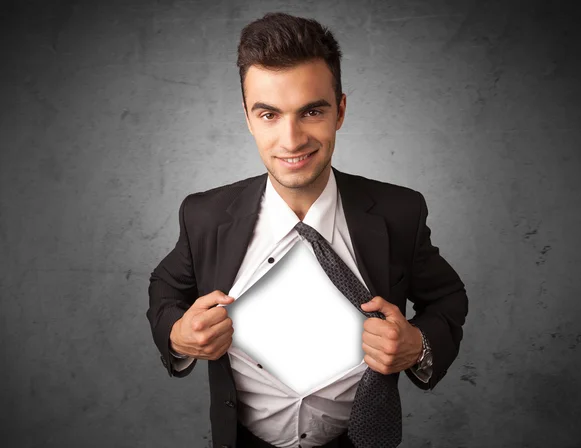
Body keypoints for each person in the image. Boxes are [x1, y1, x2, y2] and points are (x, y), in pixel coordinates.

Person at [147, 12, 468, 448]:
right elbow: (165, 288)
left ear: (339, 111)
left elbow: (447, 297)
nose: (292, 139)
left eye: (311, 111)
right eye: (269, 114)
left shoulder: (400, 212)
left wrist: (419, 346)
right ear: (247, 117)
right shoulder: (203, 215)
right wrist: (178, 336)